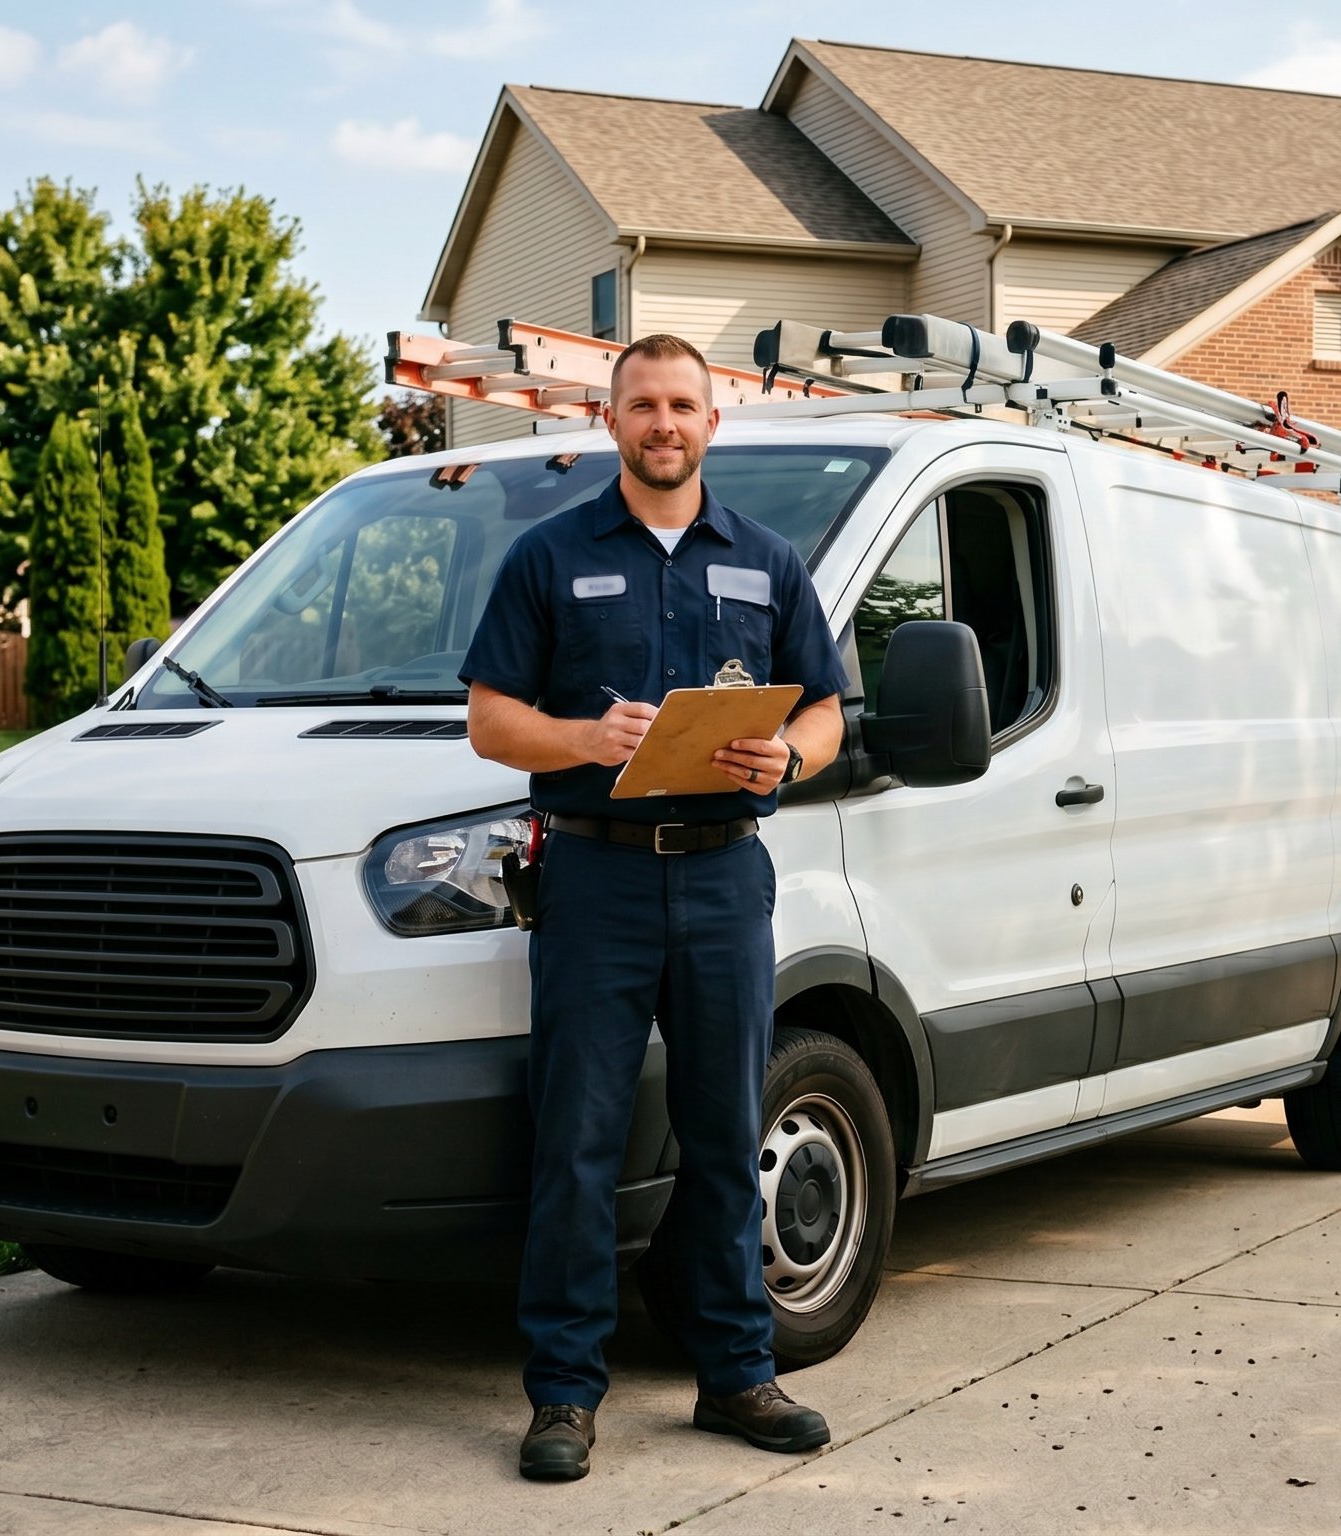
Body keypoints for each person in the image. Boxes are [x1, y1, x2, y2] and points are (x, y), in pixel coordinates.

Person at [459, 333, 847, 1483]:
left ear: (711, 423)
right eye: (643, 406)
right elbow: (488, 718)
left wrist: (788, 756)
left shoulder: (768, 561)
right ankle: (566, 1395)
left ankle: (735, 1374)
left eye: (684, 405)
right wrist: (582, 737)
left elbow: (826, 711)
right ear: (610, 420)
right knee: (575, 1139)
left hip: (728, 875)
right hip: (596, 877)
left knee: (730, 1131)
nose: (663, 424)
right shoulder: (548, 555)